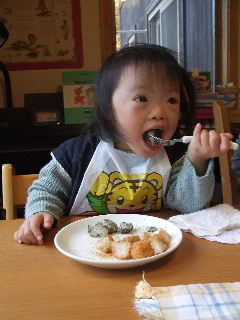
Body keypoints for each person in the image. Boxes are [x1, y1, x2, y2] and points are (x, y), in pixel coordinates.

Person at [14, 43, 233, 245]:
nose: (160, 112)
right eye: (142, 98)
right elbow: (47, 189)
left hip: (153, 252)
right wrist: (41, 212)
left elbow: (187, 207)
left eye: (171, 100)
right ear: (109, 108)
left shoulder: (175, 154)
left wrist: (197, 160)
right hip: (81, 248)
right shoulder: (77, 153)